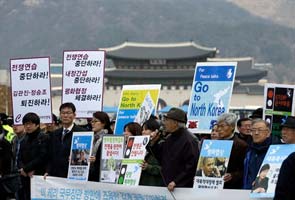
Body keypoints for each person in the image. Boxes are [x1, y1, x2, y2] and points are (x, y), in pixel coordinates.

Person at [152, 107, 199, 191]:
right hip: (167, 184)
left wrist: (176, 181)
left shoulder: (190, 140)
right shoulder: (169, 137)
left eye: (166, 120)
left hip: (181, 188)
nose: (164, 123)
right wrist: (154, 142)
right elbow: (161, 157)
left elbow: (192, 166)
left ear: (175, 123)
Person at [45, 102, 87, 178]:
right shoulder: (54, 134)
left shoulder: (82, 133)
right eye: (63, 113)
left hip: (74, 175)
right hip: (55, 175)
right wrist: (48, 171)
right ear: (60, 115)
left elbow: (84, 155)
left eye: (68, 113)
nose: (65, 115)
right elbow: (50, 156)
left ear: (74, 115)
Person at [16, 112, 49, 200]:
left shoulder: (44, 138)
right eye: (26, 124)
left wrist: (27, 169)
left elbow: (42, 156)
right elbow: (19, 157)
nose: (28, 126)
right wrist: (22, 169)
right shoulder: (23, 139)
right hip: (25, 176)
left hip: (38, 175)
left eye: (30, 124)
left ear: (37, 125)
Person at [216, 113, 248, 189]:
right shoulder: (214, 143)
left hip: (232, 187)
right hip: (214, 186)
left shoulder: (241, 145)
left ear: (232, 127)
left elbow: (245, 170)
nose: (219, 129)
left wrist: (232, 175)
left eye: (222, 126)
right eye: (218, 126)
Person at [243, 119, 272, 190]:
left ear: (268, 133)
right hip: (247, 191)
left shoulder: (273, 151)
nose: (256, 133)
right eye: (253, 130)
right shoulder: (248, 150)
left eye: (260, 130)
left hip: (264, 192)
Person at [88, 111, 113, 181]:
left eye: (95, 121)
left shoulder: (110, 138)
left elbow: (112, 159)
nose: (92, 124)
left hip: (103, 176)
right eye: (91, 121)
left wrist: (97, 160)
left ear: (103, 123)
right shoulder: (90, 137)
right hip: (90, 175)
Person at [139, 117, 164, 186]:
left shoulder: (163, 146)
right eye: (142, 129)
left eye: (146, 129)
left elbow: (167, 169)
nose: (143, 132)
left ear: (155, 131)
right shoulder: (142, 146)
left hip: (156, 187)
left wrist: (148, 167)